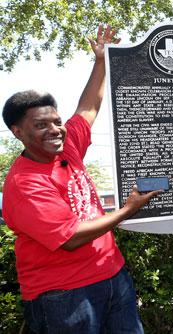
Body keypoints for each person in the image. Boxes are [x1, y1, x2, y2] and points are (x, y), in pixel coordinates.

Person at [1, 25, 161, 333]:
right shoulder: (24, 184)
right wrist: (128, 210)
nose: (55, 130)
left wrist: (100, 62)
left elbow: (87, 108)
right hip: (65, 295)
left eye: (56, 121)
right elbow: (70, 238)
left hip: (113, 277)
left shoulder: (67, 148)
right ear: (18, 132)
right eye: (41, 125)